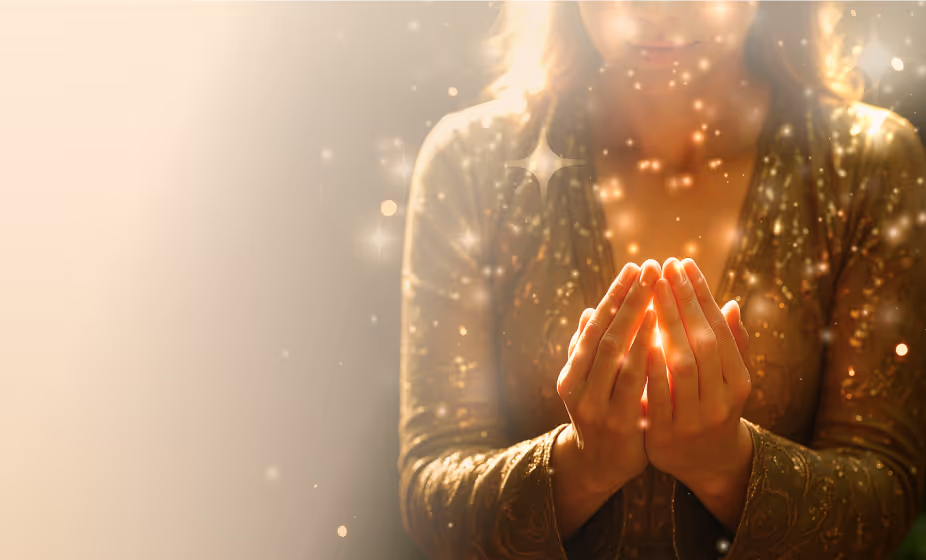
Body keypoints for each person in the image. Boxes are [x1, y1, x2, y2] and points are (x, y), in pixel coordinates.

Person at [397, 1, 926, 558]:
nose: (653, 10)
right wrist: (578, 467)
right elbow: (430, 483)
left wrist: (728, 466)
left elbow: (887, 495)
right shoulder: (473, 165)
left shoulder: (868, 165)